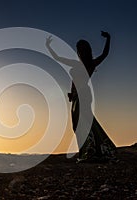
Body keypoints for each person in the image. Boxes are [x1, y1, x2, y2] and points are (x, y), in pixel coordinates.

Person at [46, 31, 116, 162]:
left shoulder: (89, 63)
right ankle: (90, 151)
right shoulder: (79, 63)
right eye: (78, 49)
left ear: (83, 51)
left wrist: (109, 39)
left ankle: (92, 151)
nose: (79, 52)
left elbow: (105, 54)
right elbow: (58, 58)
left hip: (82, 95)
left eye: (80, 49)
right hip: (77, 96)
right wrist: (48, 46)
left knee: (84, 123)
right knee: (79, 123)